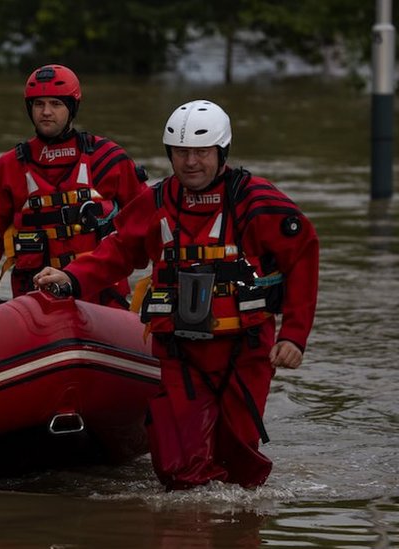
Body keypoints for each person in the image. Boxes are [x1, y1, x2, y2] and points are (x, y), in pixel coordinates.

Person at [33, 100, 319, 489]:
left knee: (237, 459)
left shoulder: (257, 201)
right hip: (180, 350)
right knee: (175, 467)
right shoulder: (156, 201)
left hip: (244, 349)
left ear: (221, 152)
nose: (190, 162)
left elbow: (302, 255)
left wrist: (294, 335)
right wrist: (70, 276)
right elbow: (118, 250)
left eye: (201, 152)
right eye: (181, 153)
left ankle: (237, 530)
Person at [0, 63, 149, 307]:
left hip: (100, 298)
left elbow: (148, 220)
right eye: (39, 104)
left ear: (72, 108)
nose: (46, 112)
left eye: (56, 104)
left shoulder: (107, 159)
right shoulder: (10, 166)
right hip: (34, 298)